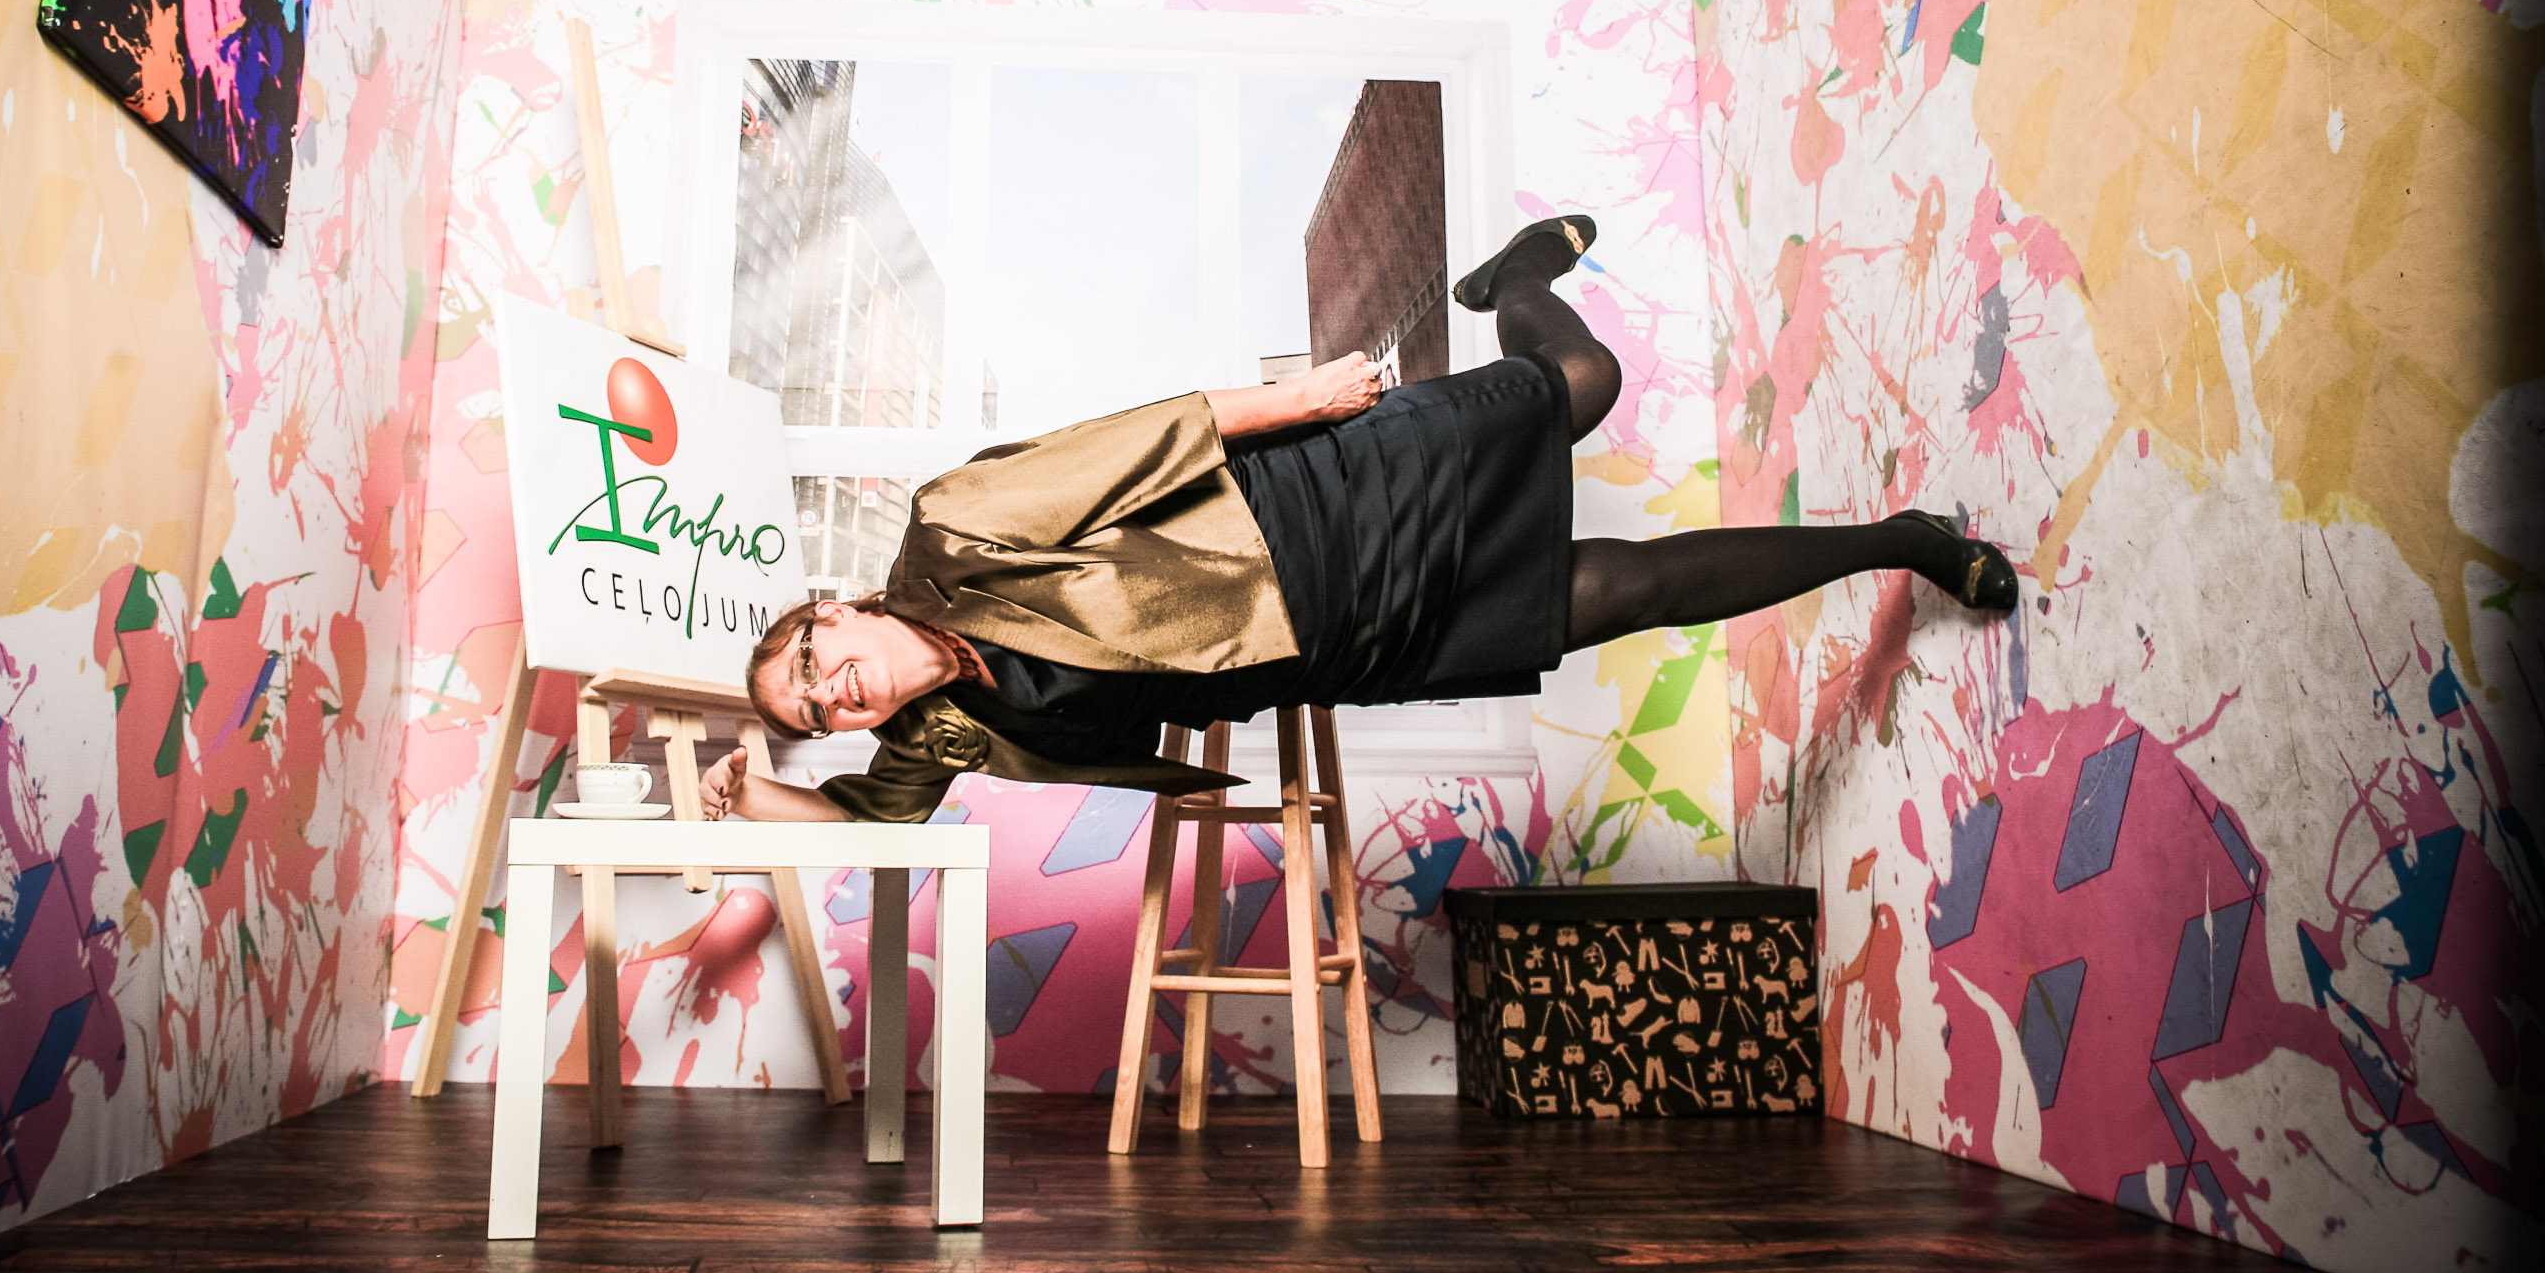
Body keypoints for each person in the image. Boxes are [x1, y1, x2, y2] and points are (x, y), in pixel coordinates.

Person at [705, 214, 2014, 824]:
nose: (834, 692)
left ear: (836, 609)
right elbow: (865, 827)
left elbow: (1129, 447)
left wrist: (1302, 398)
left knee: (1584, 384)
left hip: (1323, 508)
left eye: (815, 662)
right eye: (815, 712)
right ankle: (1904, 542)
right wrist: (748, 793)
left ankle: (1518, 276)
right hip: (1346, 644)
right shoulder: (944, 731)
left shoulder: (950, 532)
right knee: (1626, 592)